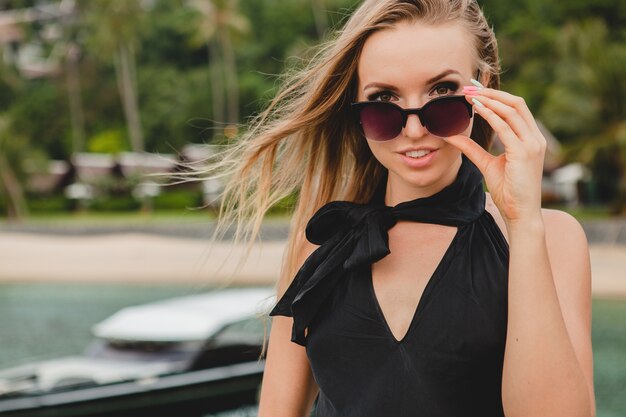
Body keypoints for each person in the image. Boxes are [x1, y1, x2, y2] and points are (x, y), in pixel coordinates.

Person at [210, 0, 595, 415]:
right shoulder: (321, 243)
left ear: (482, 86)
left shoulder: (549, 238)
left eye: (442, 93)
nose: (414, 130)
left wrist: (523, 221)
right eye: (383, 100)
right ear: (356, 111)